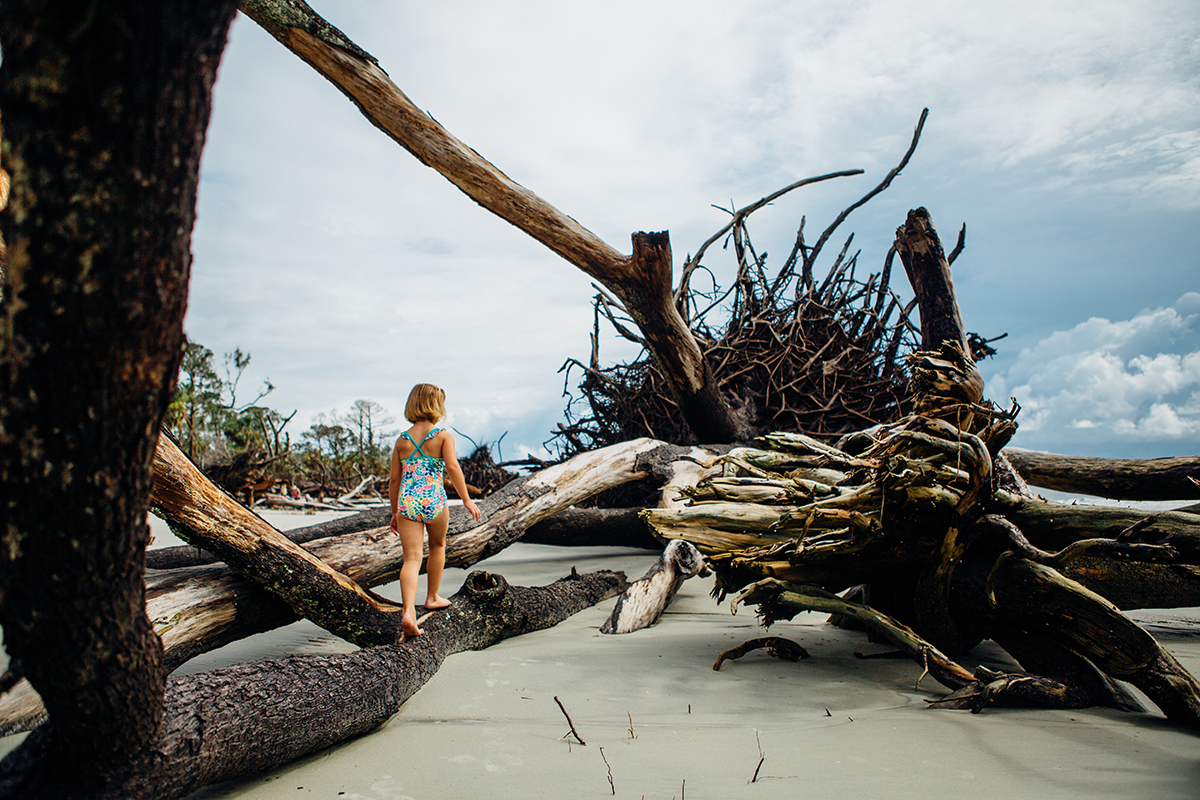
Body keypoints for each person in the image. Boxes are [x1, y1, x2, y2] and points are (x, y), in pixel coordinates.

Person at [389, 383, 482, 638]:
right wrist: (466, 499)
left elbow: (394, 481)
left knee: (411, 559)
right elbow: (452, 467)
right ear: (435, 405)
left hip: (408, 501)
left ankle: (408, 611)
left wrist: (394, 512)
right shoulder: (442, 436)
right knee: (438, 547)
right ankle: (432, 597)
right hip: (435, 500)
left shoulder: (402, 441)